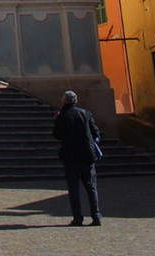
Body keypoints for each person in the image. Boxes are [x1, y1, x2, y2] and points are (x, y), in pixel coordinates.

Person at [52, 89, 102, 226]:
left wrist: (56, 120)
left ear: (64, 101)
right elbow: (95, 132)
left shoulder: (62, 116)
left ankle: (77, 218)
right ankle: (96, 216)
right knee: (91, 187)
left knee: (73, 189)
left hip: (70, 156)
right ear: (76, 100)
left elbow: (57, 135)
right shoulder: (85, 113)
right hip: (87, 155)